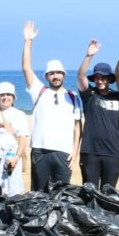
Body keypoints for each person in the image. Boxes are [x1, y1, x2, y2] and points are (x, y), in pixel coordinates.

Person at [21, 24, 80, 190]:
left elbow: (77, 127)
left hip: (63, 152)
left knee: (62, 194)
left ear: (63, 75)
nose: (56, 76)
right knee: (39, 193)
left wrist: (74, 152)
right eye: (52, 73)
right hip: (40, 150)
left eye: (58, 73)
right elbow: (26, 68)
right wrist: (28, 41)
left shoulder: (73, 97)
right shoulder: (39, 91)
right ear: (47, 76)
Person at [77, 40, 119, 192]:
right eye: (97, 77)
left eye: (103, 77)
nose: (100, 80)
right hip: (90, 151)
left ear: (109, 79)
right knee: (89, 192)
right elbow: (80, 76)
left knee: (108, 192)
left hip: (113, 152)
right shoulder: (90, 95)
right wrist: (88, 56)